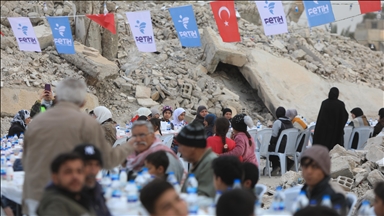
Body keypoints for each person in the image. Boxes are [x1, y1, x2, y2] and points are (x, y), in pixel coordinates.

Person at [22, 78, 134, 214]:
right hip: (64, 201)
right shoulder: (87, 124)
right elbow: (108, 160)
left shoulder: (36, 122)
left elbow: (25, 160)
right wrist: (130, 145)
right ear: (82, 102)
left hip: (33, 195)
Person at [300, 145, 347, 215]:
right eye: (305, 166)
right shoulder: (306, 189)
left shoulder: (336, 195)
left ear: (325, 169)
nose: (309, 171)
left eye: (314, 167)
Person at [176, 121, 217, 198]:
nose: (179, 150)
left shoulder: (210, 165)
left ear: (192, 147)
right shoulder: (199, 162)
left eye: (181, 145)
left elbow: (203, 199)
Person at [73, 144, 111, 216]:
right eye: (88, 164)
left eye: (97, 165)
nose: (93, 171)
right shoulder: (62, 198)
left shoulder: (96, 189)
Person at [269, 107, 294, 175]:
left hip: (281, 147)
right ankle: (288, 162)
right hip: (290, 146)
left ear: (276, 114)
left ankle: (277, 165)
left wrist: (270, 142)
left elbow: (274, 136)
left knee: (269, 148)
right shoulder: (290, 122)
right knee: (274, 147)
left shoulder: (278, 122)